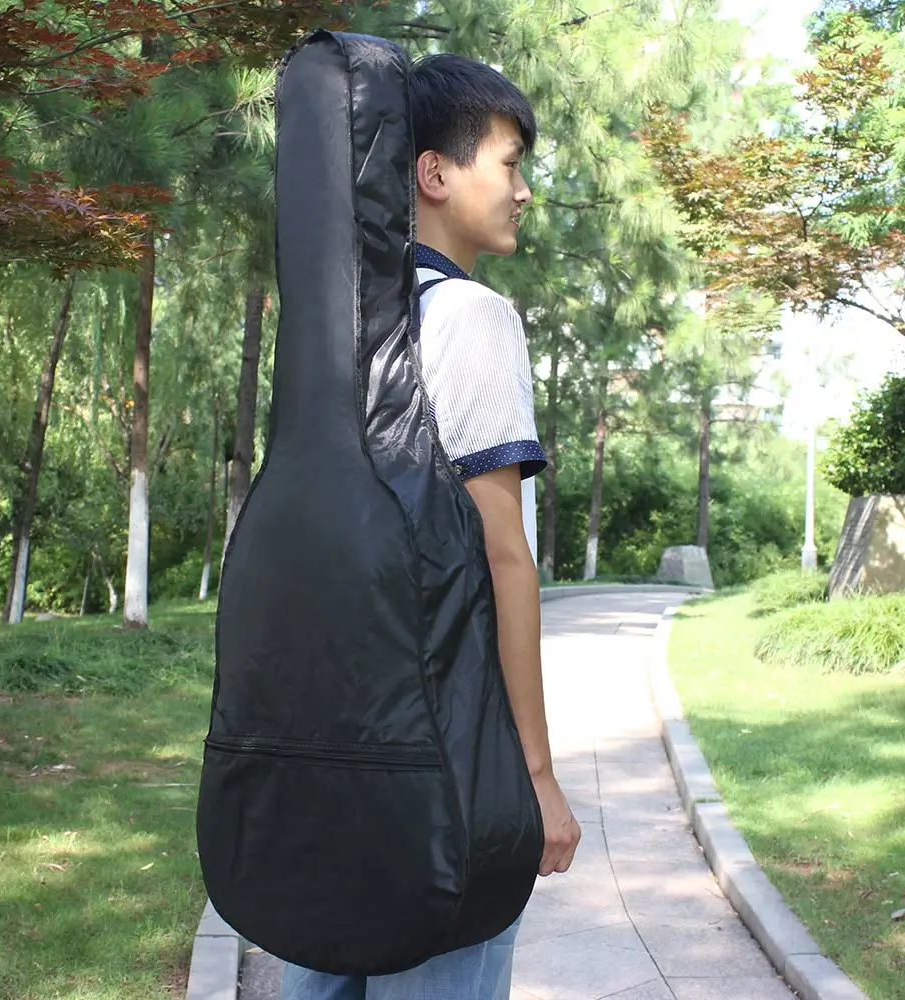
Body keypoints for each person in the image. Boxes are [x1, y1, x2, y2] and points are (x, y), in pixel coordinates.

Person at [282, 53, 581, 1000]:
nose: (524, 190)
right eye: (509, 163)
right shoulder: (473, 319)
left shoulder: (337, 325)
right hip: (451, 751)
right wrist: (535, 777)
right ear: (434, 173)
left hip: (337, 738)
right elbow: (505, 557)